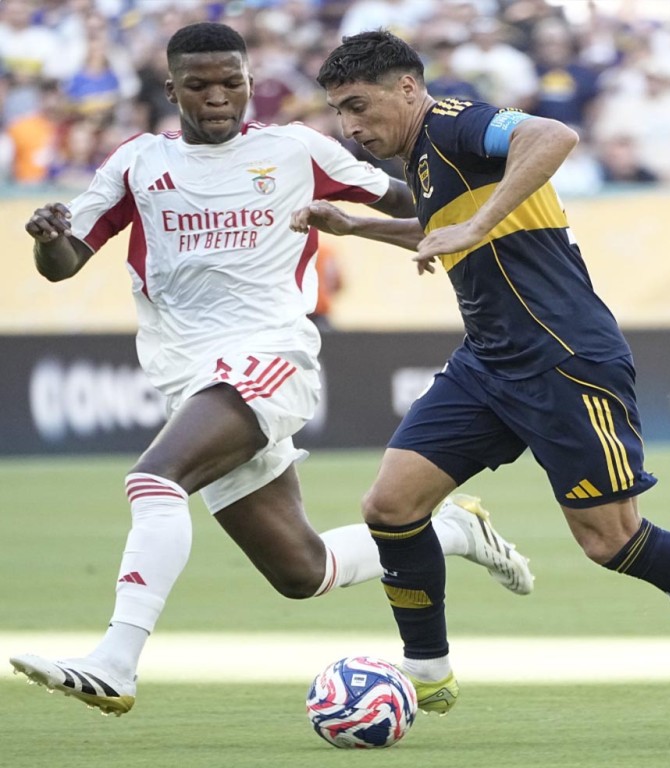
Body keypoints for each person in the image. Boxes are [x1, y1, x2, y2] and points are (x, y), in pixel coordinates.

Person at [290, 29, 670, 739]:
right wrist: (353, 225)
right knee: (391, 506)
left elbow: (553, 135)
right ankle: (427, 668)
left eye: (358, 106)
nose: (350, 126)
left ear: (407, 88)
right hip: (489, 361)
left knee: (611, 540)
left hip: (563, 357)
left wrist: (477, 223)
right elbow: (437, 228)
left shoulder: (454, 123)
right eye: (339, 111)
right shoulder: (425, 158)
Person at [9, 21, 534, 718]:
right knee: (301, 571)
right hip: (188, 375)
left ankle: (115, 661)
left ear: (250, 83)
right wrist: (49, 237)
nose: (218, 97)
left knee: (154, 479)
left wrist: (480, 213)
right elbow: (64, 261)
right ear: (171, 89)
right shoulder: (136, 163)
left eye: (232, 82)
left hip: (270, 356)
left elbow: (407, 196)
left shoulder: (295, 148)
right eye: (199, 85)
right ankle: (454, 532)